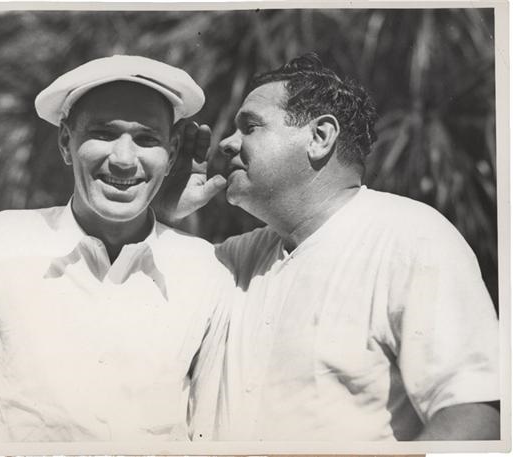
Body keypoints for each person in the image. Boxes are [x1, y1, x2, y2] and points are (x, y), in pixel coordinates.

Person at [156, 53, 500, 441]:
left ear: (320, 138)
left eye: (249, 127)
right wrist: (163, 213)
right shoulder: (234, 260)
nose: (225, 143)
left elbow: (475, 414)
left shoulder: (411, 239)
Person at [0, 55, 232, 444]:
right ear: (66, 142)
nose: (123, 159)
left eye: (147, 139)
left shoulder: (205, 270)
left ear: (170, 154)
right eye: (102, 133)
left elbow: (216, 437)